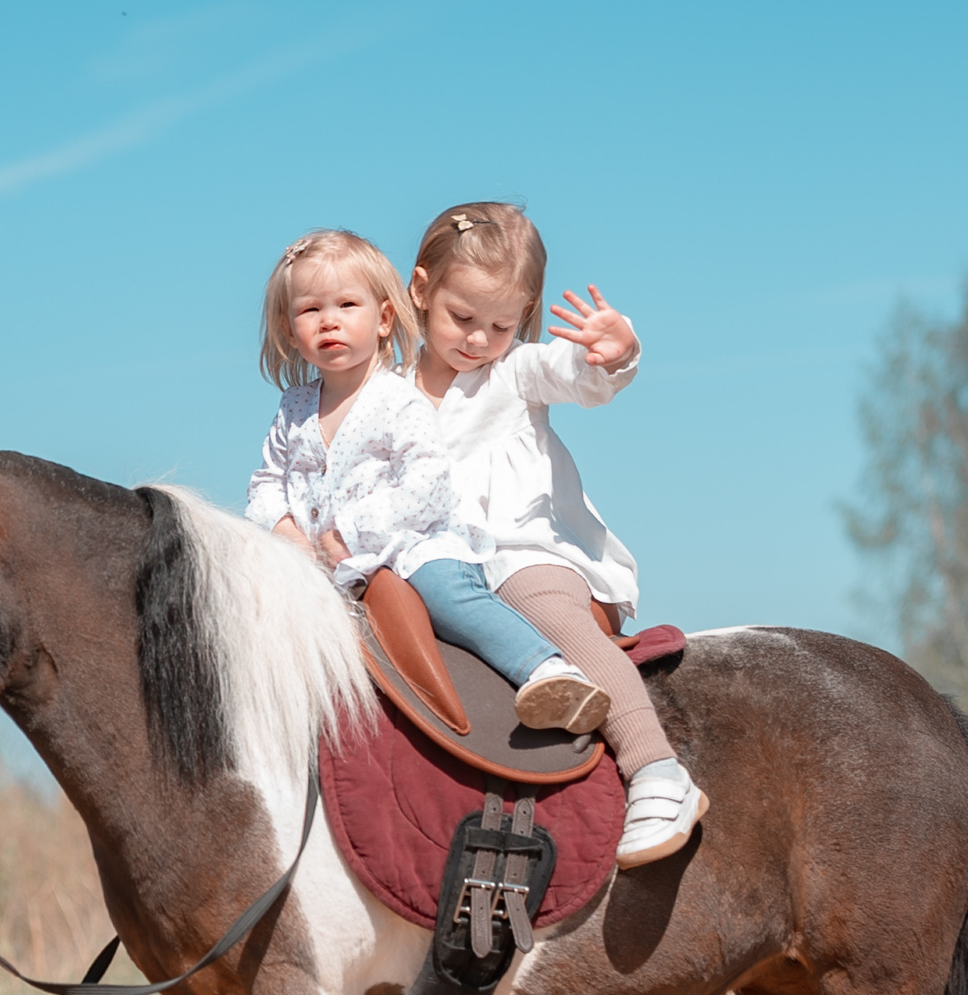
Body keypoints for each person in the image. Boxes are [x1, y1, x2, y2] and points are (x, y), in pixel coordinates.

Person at [406, 201, 707, 868]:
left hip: (521, 553)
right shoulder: (388, 392)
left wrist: (612, 353)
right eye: (463, 317)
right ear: (421, 289)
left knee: (547, 614)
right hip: (428, 563)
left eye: (502, 323)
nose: (479, 338)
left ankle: (655, 767)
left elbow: (576, 375)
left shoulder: (515, 374)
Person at [244, 229, 609, 733]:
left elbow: (429, 482)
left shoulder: (397, 398)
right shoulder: (294, 409)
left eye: (348, 304)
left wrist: (351, 529)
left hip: (413, 542)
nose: (330, 320)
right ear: (289, 330)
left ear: (384, 318)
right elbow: (267, 479)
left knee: (442, 591)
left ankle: (544, 666)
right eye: (310, 310)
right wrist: (285, 531)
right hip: (327, 558)